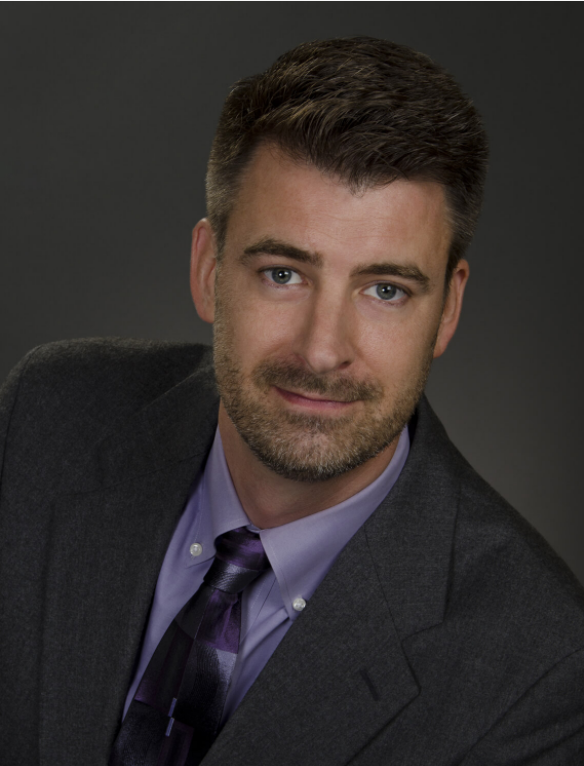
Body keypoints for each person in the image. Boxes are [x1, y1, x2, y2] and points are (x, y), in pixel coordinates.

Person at [1, 36, 583, 766]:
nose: (321, 350)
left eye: (385, 290)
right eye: (283, 274)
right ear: (209, 270)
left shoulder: (540, 673)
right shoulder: (47, 414)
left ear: (447, 311)